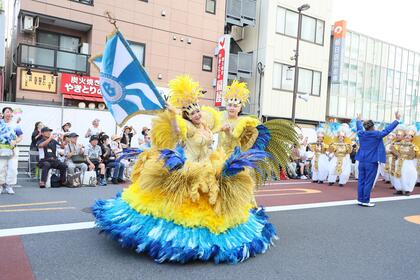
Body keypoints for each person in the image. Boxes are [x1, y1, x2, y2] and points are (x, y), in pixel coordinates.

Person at [92, 75, 297, 264]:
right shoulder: (187, 128)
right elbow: (176, 131)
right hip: (190, 167)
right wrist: (172, 117)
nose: (197, 114)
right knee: (181, 205)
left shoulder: (206, 127)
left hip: (208, 165)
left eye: (198, 110)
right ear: (187, 116)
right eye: (192, 113)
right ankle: (176, 239)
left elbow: (227, 132)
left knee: (213, 201)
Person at [355, 112, 400, 207]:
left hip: (361, 160)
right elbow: (388, 130)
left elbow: (359, 128)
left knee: (361, 181)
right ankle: (366, 201)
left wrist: (358, 120)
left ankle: (360, 199)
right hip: (372, 161)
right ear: (373, 126)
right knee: (368, 181)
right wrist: (397, 120)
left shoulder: (361, 134)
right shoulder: (376, 134)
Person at [0, 107, 23, 194]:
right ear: (3, 114)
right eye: (7, 112)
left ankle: (9, 186)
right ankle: (1, 185)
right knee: (1, 168)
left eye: (10, 112)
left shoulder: (15, 125)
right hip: (1, 149)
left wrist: (15, 141)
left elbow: (20, 137)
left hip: (13, 150)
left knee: (13, 169)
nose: (9, 114)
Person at [393, 128, 419, 196]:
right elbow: (393, 150)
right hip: (399, 162)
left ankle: (407, 189)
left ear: (412, 138)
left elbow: (414, 156)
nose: (407, 137)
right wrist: (399, 155)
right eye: (406, 135)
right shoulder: (398, 145)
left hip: (409, 162)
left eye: (409, 136)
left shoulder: (413, 146)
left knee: (410, 175)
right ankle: (399, 189)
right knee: (398, 175)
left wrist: (411, 151)